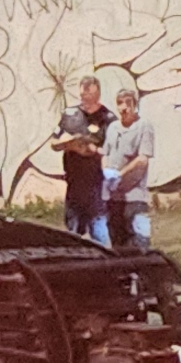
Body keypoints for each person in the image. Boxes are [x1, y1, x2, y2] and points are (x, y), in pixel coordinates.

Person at [53, 76, 112, 245]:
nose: (85, 99)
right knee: (72, 235)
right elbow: (53, 143)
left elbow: (115, 150)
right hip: (74, 184)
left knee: (100, 232)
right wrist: (71, 145)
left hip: (96, 185)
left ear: (98, 94)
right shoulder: (69, 115)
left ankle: (105, 258)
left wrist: (94, 150)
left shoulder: (107, 118)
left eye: (90, 95)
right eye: (83, 95)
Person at [99, 86, 155, 252]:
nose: (123, 107)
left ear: (135, 105)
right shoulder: (113, 128)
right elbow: (105, 154)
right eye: (120, 103)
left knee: (139, 245)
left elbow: (142, 160)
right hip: (113, 198)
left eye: (128, 103)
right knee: (117, 245)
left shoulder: (144, 126)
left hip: (135, 198)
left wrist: (120, 176)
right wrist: (106, 174)